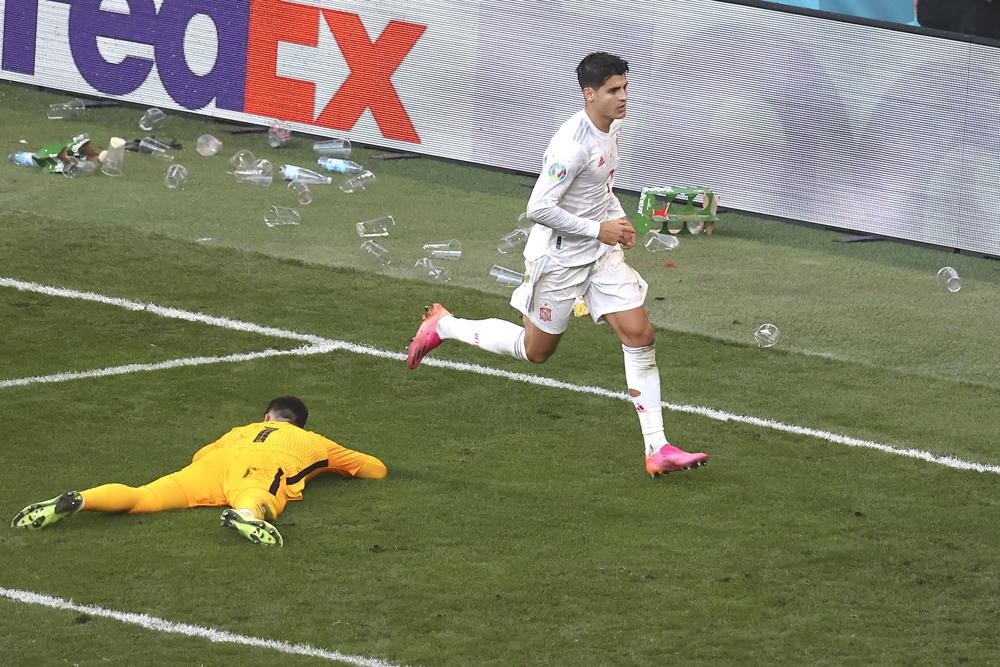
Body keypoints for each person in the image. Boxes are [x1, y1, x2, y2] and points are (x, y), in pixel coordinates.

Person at [406, 52, 709, 478]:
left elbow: (601, 187)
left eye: (625, 87)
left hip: (598, 250)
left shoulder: (612, 125)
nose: (624, 97)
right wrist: (598, 229)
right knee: (537, 352)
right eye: (613, 90)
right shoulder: (572, 146)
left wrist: (616, 221)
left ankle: (657, 448)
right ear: (590, 94)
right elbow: (538, 208)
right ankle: (444, 325)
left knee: (640, 334)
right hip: (560, 257)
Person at [11, 397, 387, 547]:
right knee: (260, 498)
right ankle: (245, 516)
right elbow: (375, 469)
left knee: (142, 496)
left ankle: (82, 499)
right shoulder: (315, 442)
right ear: (299, 424)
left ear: (267, 417)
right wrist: (334, 465)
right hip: (259, 468)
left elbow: (201, 456)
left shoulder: (240, 429)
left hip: (212, 465)